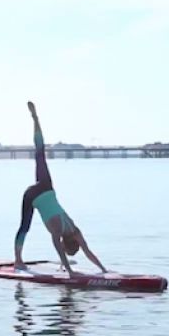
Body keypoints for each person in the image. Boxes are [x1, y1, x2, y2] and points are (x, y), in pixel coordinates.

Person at [14, 101, 108, 276]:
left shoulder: (75, 229)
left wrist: (104, 270)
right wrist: (71, 271)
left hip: (46, 187)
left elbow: (87, 251)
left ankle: (35, 118)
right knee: (24, 227)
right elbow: (67, 252)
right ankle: (18, 261)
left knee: (40, 151)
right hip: (32, 196)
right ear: (66, 244)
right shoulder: (57, 231)